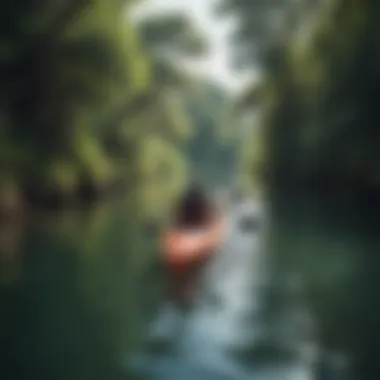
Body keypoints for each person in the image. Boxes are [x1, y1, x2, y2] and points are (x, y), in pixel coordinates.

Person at [161, 182, 225, 306]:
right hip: (190, 229)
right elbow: (177, 217)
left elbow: (176, 217)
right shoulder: (192, 206)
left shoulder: (190, 205)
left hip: (194, 229)